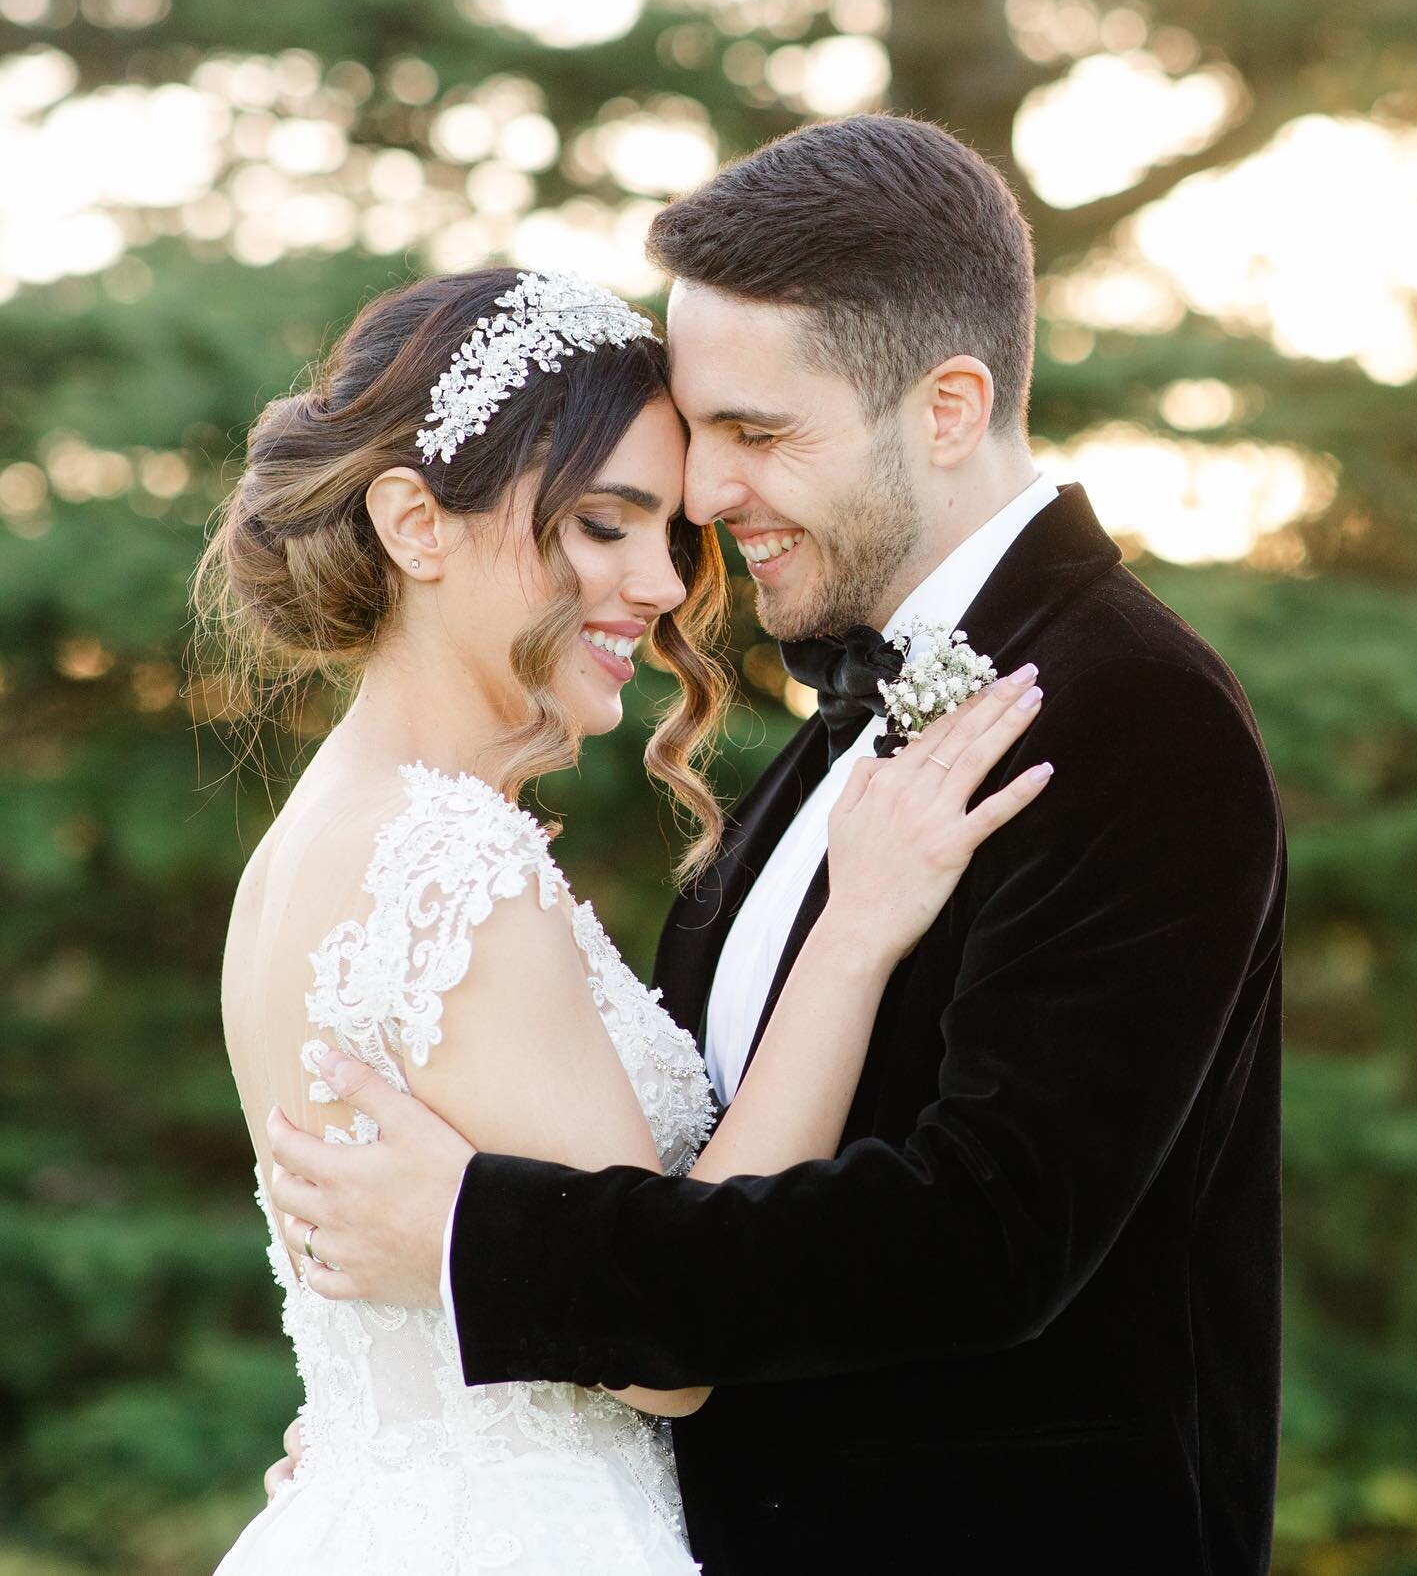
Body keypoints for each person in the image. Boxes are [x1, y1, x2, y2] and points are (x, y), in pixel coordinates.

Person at [267, 116, 1287, 1575]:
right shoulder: (834, 728)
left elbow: (988, 1236)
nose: (703, 495)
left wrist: (483, 1249)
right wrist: (422, 1450)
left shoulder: (1134, 712)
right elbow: (713, 1163)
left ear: (945, 408)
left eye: (758, 433)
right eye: (705, 431)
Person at [203, 258, 1051, 1573]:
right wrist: (860, 927)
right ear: (417, 527)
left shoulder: (330, 835)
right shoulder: (447, 863)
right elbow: (670, 1363)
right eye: (605, 525)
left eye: (668, 534)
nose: (663, 583)